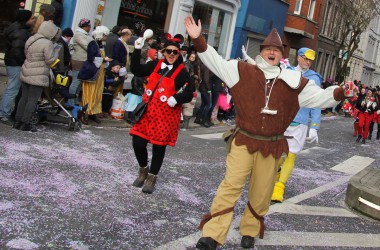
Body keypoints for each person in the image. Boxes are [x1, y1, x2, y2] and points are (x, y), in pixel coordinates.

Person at [184, 16, 348, 249]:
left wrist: (341, 93)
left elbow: (321, 97)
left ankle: (249, 230)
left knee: (261, 192)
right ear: (261, 52)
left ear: (282, 54)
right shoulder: (240, 70)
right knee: (230, 186)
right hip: (243, 140)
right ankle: (212, 234)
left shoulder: (295, 81)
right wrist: (198, 39)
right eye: (268, 49)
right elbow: (215, 62)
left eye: (277, 49)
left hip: (271, 145)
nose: (272, 52)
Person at [129, 33, 194, 194]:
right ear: (164, 52)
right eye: (169, 51)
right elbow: (136, 69)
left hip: (165, 116)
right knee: (138, 142)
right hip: (148, 112)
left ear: (178, 54)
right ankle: (143, 169)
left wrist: (176, 98)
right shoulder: (155, 65)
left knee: (158, 147)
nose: (171, 54)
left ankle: (152, 177)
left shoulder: (182, 72)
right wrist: (137, 50)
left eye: (175, 52)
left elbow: (190, 91)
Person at [271, 48, 322, 203]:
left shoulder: (314, 78)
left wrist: (314, 126)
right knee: (277, 153)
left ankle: (279, 187)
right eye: (305, 58)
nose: (308, 62)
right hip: (282, 118)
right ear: (298, 58)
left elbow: (317, 101)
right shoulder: (286, 70)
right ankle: (275, 175)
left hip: (299, 121)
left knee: (291, 154)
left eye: (310, 60)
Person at [14, 21, 61, 132]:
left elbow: (26, 53)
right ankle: (26, 123)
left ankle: (17, 121)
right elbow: (50, 60)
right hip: (38, 75)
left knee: (23, 98)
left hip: (26, 71)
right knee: (32, 100)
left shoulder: (32, 39)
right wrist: (57, 52)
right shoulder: (47, 43)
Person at [0, 9, 35, 125]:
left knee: (12, 88)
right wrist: (23, 63)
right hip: (16, 63)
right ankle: (3, 114)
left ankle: (5, 112)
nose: (33, 20)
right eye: (32, 18)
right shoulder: (20, 32)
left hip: (11, 61)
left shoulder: (16, 28)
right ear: (26, 19)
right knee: (12, 89)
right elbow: (17, 50)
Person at [78, 25, 111, 124]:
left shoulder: (100, 44)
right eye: (105, 35)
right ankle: (84, 113)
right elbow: (91, 57)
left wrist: (105, 61)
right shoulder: (92, 43)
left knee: (97, 94)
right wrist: (103, 59)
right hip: (92, 72)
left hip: (99, 73)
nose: (106, 37)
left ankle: (93, 113)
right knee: (89, 94)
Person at [69, 18, 93, 106]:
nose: (90, 27)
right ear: (85, 26)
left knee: (79, 82)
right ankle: (70, 101)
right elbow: (86, 46)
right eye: (89, 26)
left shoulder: (85, 35)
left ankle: (75, 100)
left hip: (84, 60)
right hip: (79, 60)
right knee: (76, 81)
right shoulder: (79, 35)